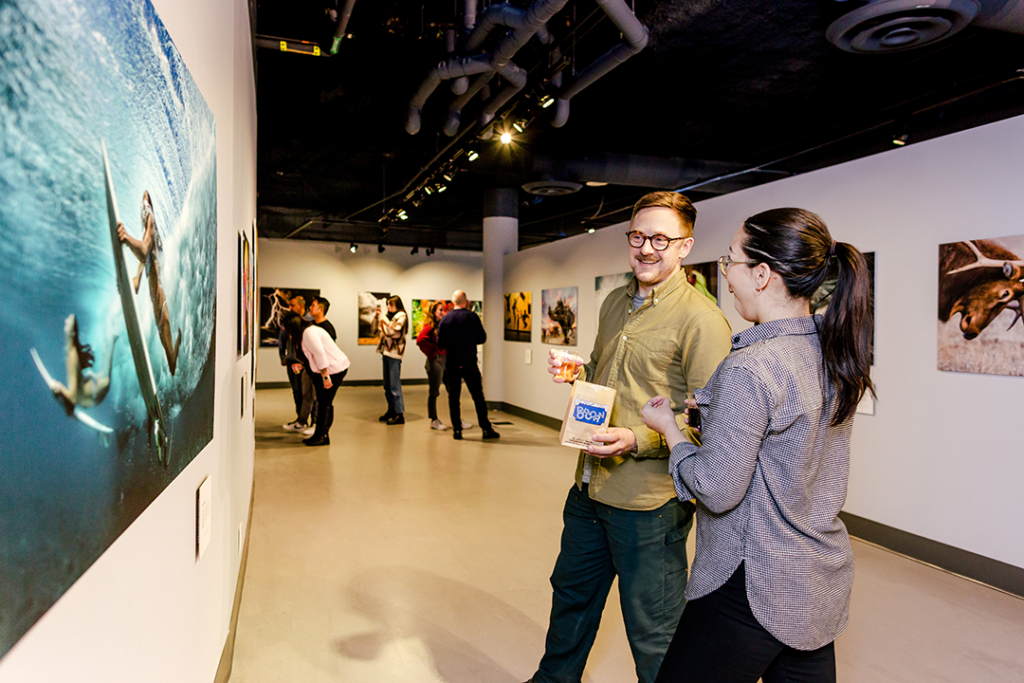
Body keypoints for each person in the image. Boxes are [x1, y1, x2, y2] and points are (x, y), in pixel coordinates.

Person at [640, 208, 874, 683]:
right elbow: (791, 449)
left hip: (750, 580)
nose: (726, 275)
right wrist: (719, 417)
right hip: (814, 582)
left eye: (732, 262)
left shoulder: (751, 366)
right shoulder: (833, 354)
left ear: (763, 275)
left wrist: (670, 429)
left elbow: (718, 488)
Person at [528, 192, 732, 683]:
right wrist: (582, 369)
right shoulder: (614, 303)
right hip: (589, 488)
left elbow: (714, 424)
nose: (646, 248)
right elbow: (608, 376)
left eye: (661, 239)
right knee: (570, 603)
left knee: (655, 635)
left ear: (685, 246)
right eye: (638, 236)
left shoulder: (702, 321)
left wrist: (638, 438)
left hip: (648, 505)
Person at [117, 190, 181, 375]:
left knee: (163, 326)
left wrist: (127, 238)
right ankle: (173, 355)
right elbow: (144, 258)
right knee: (163, 332)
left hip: (159, 298)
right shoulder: (150, 230)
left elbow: (144, 251)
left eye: (144, 210)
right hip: (158, 297)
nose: (142, 214)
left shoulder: (150, 227)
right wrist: (136, 280)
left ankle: (172, 356)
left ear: (148, 211)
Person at [436, 290, 500, 441]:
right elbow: (482, 338)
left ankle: (457, 430)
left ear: (453, 302)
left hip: (452, 363)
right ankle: (485, 428)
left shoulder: (445, 320)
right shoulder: (472, 317)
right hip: (469, 362)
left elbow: (440, 344)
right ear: (465, 301)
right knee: (478, 396)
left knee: (453, 397)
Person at [284, 315, 350, 447]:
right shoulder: (307, 332)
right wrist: (303, 366)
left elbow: (320, 354)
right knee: (323, 401)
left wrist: (325, 377)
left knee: (325, 401)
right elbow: (312, 355)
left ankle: (323, 436)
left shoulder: (309, 333)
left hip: (333, 370)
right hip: (326, 370)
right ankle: (319, 434)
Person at [280, 301, 315, 434]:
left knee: (310, 395)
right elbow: (282, 341)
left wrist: (304, 364)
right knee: (299, 393)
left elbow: (317, 354)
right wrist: (284, 357)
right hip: (296, 363)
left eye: (293, 305)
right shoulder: (294, 327)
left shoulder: (308, 331)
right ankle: (301, 421)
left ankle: (315, 423)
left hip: (312, 367)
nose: (290, 307)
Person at [375, 295, 408, 425]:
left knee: (394, 385)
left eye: (391, 304)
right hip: (386, 352)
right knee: (387, 385)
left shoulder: (402, 317)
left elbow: (391, 331)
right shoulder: (390, 317)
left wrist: (382, 318)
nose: (389, 307)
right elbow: (378, 330)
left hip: (395, 353)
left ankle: (399, 413)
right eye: (388, 304)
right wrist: (379, 318)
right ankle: (391, 409)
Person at [416, 300, 449, 430]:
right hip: (436, 362)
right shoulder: (430, 327)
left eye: (444, 310)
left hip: (445, 361)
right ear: (434, 312)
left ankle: (456, 418)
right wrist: (433, 353)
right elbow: (420, 340)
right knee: (434, 391)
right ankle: (434, 419)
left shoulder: (443, 326)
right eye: (440, 310)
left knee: (452, 389)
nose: (443, 312)